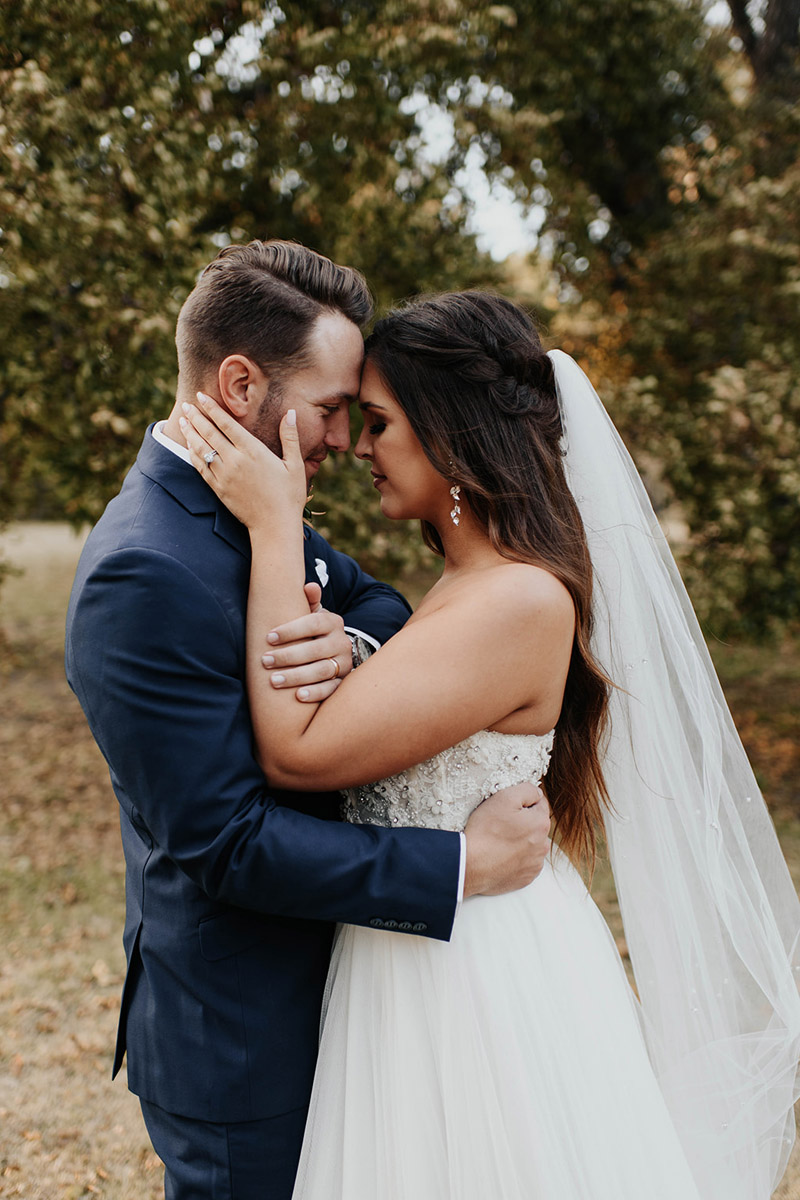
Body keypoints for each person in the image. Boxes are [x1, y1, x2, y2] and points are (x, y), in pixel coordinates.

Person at [182, 288, 800, 1200]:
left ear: (452, 436)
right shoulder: (466, 585)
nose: (357, 446)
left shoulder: (517, 600)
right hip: (418, 953)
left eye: (381, 423)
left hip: (476, 977)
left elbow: (298, 755)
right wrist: (349, 645)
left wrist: (276, 527)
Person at [64, 245, 553, 1200]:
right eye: (333, 408)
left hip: (363, 1002)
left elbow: (382, 610)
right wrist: (461, 868)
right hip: (247, 1039)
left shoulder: (258, 506)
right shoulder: (144, 572)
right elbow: (227, 841)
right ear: (239, 382)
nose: (346, 438)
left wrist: (346, 646)